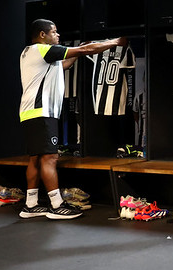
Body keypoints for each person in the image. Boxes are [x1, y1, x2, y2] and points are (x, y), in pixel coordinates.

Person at [19, 18, 127, 220]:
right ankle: (57, 205)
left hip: (30, 113)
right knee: (50, 158)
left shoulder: (30, 52)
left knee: (36, 158)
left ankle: (30, 204)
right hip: (41, 113)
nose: (58, 36)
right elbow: (87, 51)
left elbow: (61, 67)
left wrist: (76, 53)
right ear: (43, 35)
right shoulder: (42, 50)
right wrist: (114, 42)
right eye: (54, 32)